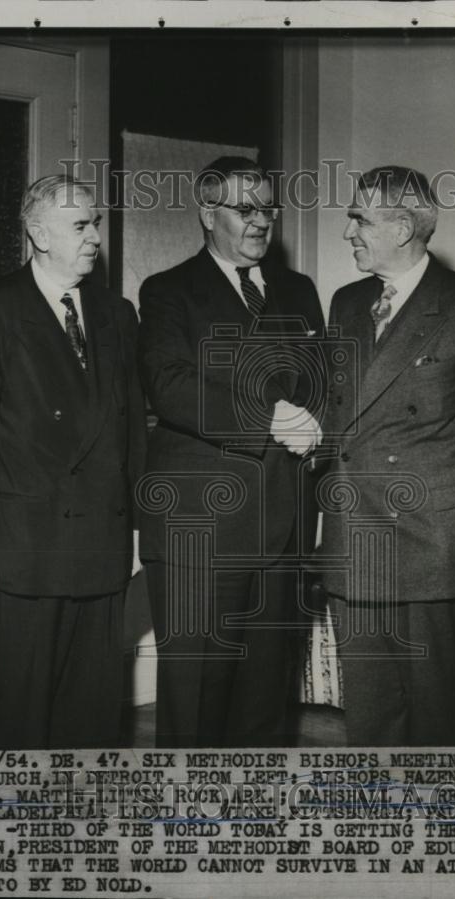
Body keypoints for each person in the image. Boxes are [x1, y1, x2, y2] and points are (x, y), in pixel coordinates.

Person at [137, 156, 325, 747]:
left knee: (266, 702)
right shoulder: (167, 291)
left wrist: (317, 425)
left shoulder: (299, 291)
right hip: (200, 530)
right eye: (245, 209)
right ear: (207, 213)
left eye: (268, 208)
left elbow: (321, 386)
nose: (262, 221)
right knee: (195, 701)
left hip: (283, 526)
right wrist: (268, 419)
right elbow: (169, 385)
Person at [319, 165, 455, 746]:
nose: (348, 231)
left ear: (402, 227)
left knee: (433, 706)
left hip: (433, 540)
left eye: (360, 219)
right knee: (370, 705)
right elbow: (338, 413)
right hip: (355, 533)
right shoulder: (347, 302)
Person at [0, 174, 146, 749]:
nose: (94, 236)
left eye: (95, 223)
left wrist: (136, 527)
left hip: (103, 537)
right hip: (27, 541)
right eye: (80, 225)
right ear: (38, 233)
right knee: (28, 703)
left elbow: (131, 429)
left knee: (93, 704)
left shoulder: (118, 313)